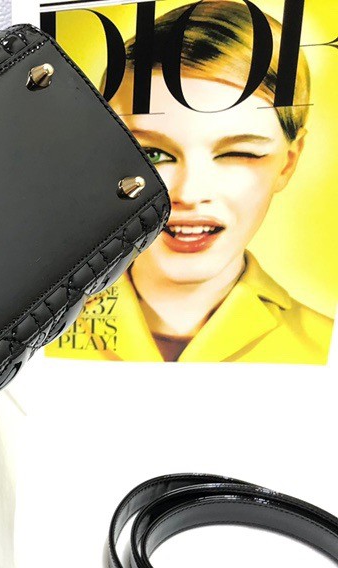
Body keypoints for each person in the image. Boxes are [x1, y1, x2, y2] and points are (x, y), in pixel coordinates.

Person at [48, 0, 334, 363]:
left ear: (288, 162)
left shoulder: (323, 348)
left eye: (237, 154)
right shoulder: (34, 333)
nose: (189, 193)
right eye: (153, 154)